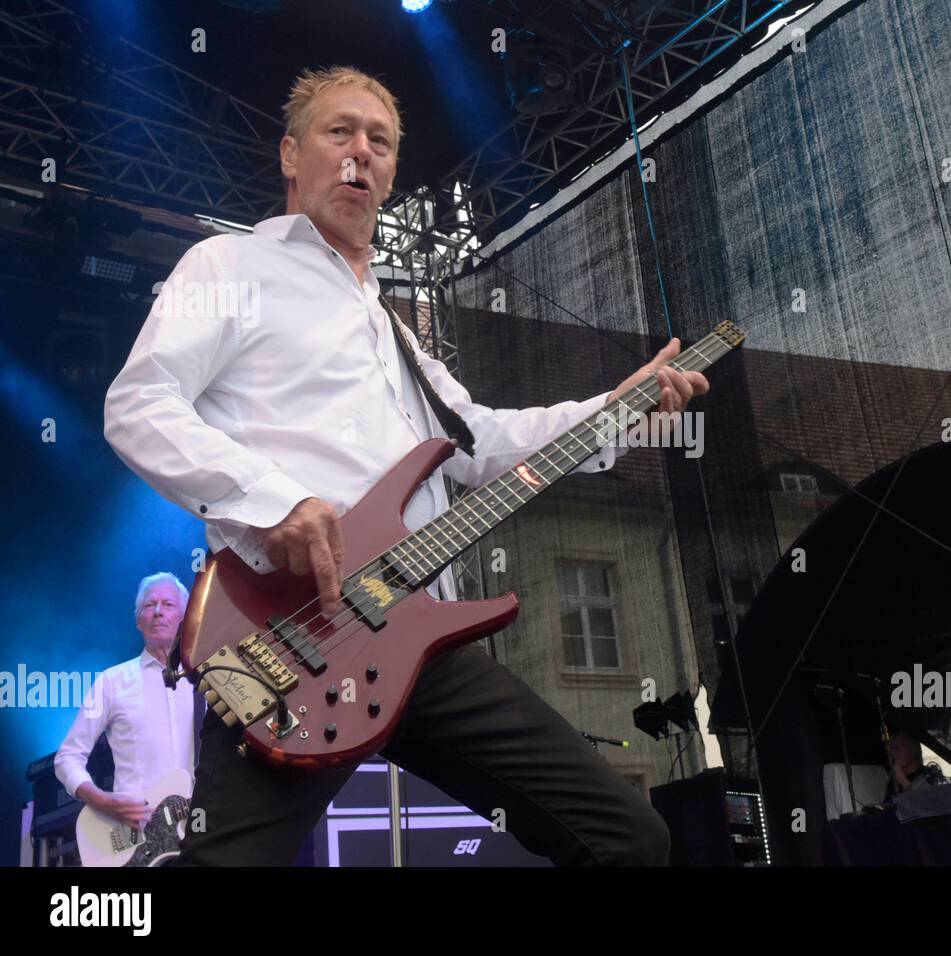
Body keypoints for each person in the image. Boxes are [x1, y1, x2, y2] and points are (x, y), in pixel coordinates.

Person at [102, 66, 709, 866]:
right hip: (288, 638)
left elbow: (483, 444)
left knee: (627, 837)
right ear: (291, 154)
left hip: (419, 642)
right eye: (340, 132)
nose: (362, 152)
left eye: (380, 142)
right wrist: (271, 500)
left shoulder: (396, 331)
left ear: (390, 174)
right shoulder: (229, 268)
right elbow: (138, 404)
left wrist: (614, 409)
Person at [55, 573, 196, 828]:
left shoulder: (204, 680)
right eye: (149, 605)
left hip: (198, 832)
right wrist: (102, 801)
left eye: (168, 604)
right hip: (134, 840)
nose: (157, 612)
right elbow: (67, 757)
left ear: (185, 618)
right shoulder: (111, 682)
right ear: (138, 620)